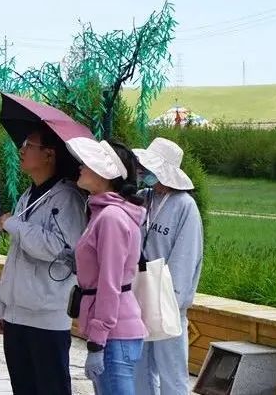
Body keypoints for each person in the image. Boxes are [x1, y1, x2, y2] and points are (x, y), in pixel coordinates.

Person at [0, 124, 87, 394]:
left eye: (28, 146)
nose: (21, 151)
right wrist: (4, 309)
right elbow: (17, 257)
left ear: (49, 154)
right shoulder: (28, 196)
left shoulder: (67, 198)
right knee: (23, 387)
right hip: (18, 314)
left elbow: (57, 248)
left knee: (50, 387)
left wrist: (14, 225)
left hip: (46, 315)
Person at [66, 138, 148, 395]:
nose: (80, 167)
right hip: (113, 331)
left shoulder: (111, 217)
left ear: (106, 173)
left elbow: (110, 283)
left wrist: (97, 343)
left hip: (115, 333)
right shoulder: (103, 213)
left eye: (87, 163)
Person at [132, 138, 203, 395]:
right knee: (138, 368)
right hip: (139, 294)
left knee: (171, 371)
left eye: (150, 168)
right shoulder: (142, 198)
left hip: (167, 301)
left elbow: (186, 257)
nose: (144, 173)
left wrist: (172, 301)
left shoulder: (184, 206)